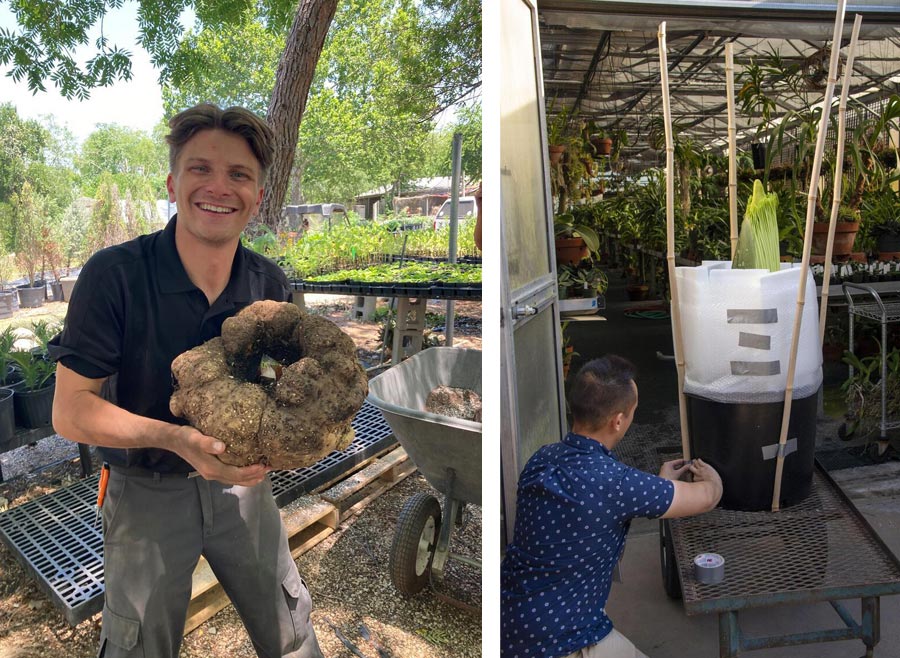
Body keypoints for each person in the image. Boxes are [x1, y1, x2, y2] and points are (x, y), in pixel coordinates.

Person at [49, 104, 323, 658]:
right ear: (173, 184)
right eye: (200, 169)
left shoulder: (269, 282)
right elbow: (70, 410)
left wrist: (294, 409)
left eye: (239, 174)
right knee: (138, 646)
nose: (218, 187)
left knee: (290, 629)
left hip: (245, 487)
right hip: (145, 493)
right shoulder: (115, 276)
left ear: (259, 194)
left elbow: (272, 372)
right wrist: (176, 438)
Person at [501, 355, 723, 658]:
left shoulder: (542, 458)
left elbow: (599, 504)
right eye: (632, 412)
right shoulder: (617, 484)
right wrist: (714, 480)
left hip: (508, 619)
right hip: (562, 641)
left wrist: (659, 484)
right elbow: (706, 498)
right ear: (618, 420)